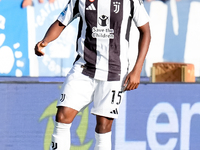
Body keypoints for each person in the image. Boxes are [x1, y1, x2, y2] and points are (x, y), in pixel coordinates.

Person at [34, 0, 151, 149]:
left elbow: (146, 31)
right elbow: (61, 22)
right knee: (62, 116)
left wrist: (137, 70)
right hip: (84, 68)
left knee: (103, 127)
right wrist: (44, 42)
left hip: (114, 72)